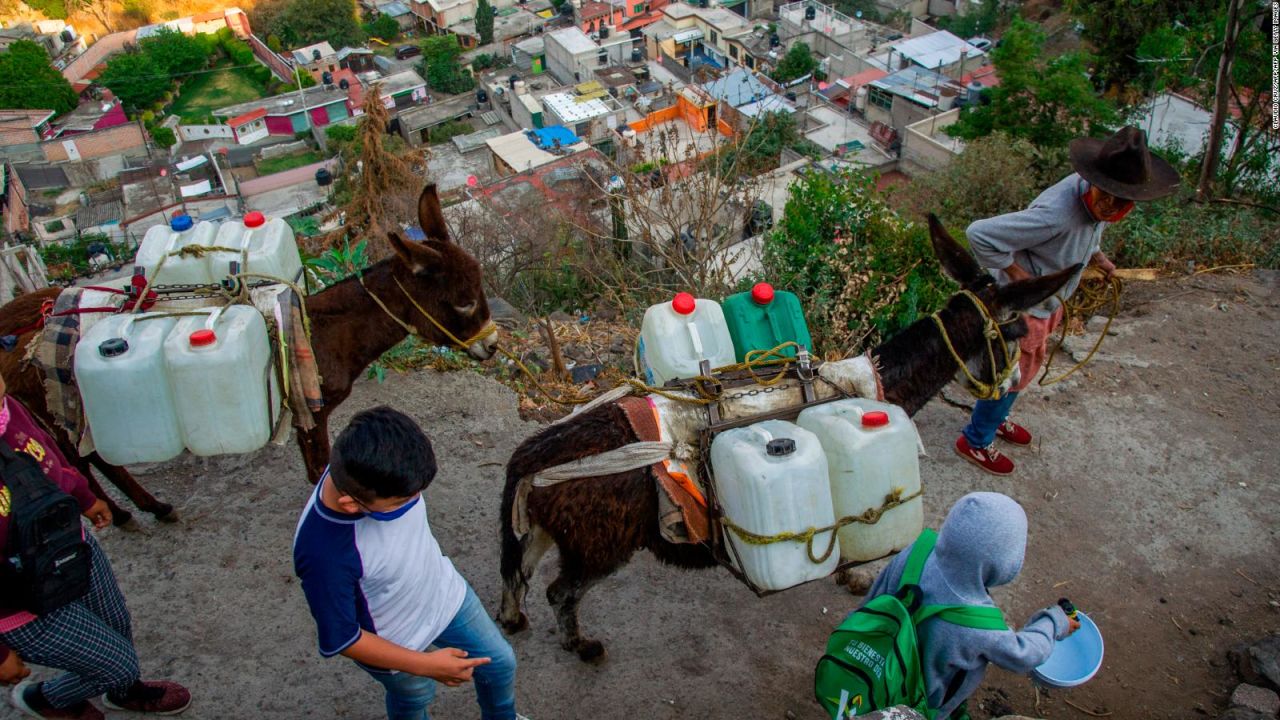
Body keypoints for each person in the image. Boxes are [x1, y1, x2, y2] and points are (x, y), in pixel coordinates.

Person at [956, 125, 1180, 475]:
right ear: (1093, 183)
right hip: (1024, 310)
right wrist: (1020, 278)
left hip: (1049, 303)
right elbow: (979, 234)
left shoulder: (1098, 199)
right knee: (1010, 374)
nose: (1108, 207)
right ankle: (976, 440)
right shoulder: (1057, 214)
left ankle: (997, 420)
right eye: (1105, 197)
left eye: (1118, 203)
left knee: (1023, 372)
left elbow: (1091, 230)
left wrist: (1097, 258)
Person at [293, 406, 528, 720]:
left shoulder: (367, 462)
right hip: (394, 639)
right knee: (416, 696)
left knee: (500, 663)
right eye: (402, 502)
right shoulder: (323, 554)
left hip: (445, 595)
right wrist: (427, 665)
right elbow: (344, 637)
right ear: (351, 505)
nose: (415, 500)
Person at [0, 371, 191, 719]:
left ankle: (123, 692)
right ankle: (45, 698)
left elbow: (50, 454)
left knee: (116, 621)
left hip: (71, 547)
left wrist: (83, 496)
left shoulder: (7, 406)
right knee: (117, 663)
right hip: (21, 602)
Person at [861, 492, 1080, 719]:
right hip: (919, 705)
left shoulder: (918, 551)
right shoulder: (978, 625)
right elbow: (1024, 655)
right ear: (1004, 564)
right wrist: (1055, 622)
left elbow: (876, 595)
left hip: (870, 665)